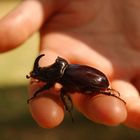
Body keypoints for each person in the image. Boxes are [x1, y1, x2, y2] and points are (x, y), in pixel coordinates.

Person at [0, 0, 140, 129]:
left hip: (98, 83)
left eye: (42, 75)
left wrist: (36, 92)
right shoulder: (64, 72)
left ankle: (106, 93)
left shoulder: (63, 77)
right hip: (98, 79)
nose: (41, 77)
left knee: (66, 92)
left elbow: (48, 87)